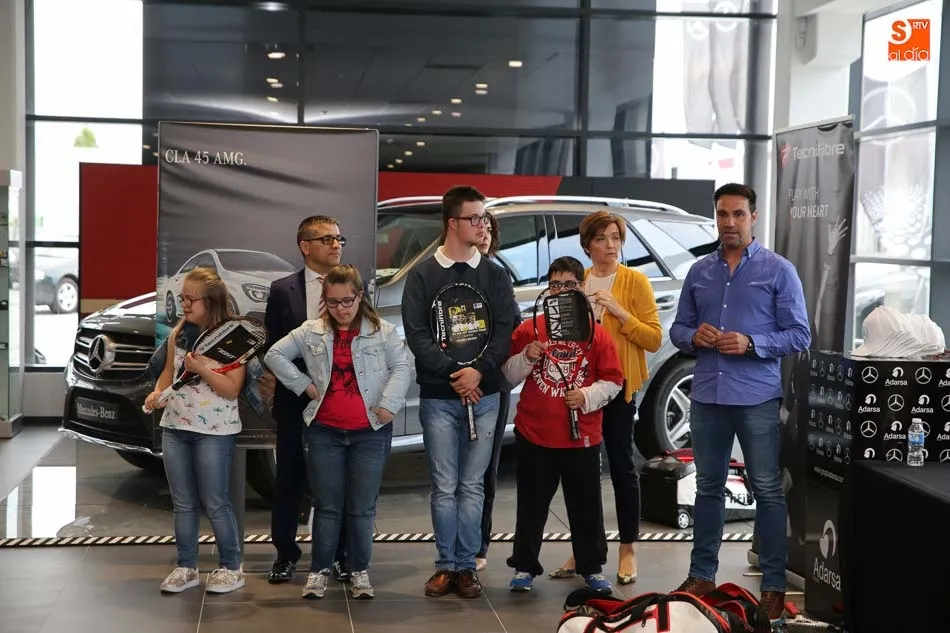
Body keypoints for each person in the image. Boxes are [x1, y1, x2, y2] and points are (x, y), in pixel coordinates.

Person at [669, 183, 810, 620]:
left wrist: (752, 343)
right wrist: (694, 336)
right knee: (708, 488)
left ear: (753, 217)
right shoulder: (699, 272)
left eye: (738, 214)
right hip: (707, 396)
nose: (729, 222)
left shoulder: (778, 270)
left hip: (756, 398)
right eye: (722, 214)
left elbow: (800, 334)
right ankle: (701, 576)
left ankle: (772, 585)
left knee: (766, 488)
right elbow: (678, 330)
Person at [264, 264, 411, 600]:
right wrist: (303, 385)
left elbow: (402, 367)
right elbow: (274, 354)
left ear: (360, 297)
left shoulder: (383, 332)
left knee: (362, 507)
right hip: (324, 432)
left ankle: (358, 570)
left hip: (370, 432)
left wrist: (389, 404)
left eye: (347, 301)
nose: (341, 309)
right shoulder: (311, 331)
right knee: (327, 506)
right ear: (324, 302)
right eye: (333, 302)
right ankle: (319, 571)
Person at [401, 185, 516, 599]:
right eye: (474, 218)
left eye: (484, 217)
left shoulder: (495, 274)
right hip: (439, 395)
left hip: (485, 395)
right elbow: (417, 334)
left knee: (473, 485)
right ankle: (445, 565)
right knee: (444, 485)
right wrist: (455, 373)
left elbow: (505, 330)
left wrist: (478, 373)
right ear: (452, 223)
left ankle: (467, 566)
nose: (482, 225)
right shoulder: (423, 275)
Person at [551, 211, 662, 585]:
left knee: (621, 465)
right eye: (601, 238)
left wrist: (618, 311)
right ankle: (585, 547)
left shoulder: (635, 281)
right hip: (581, 388)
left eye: (615, 237)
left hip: (618, 386)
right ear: (587, 246)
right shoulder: (578, 281)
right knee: (582, 473)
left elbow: (653, 338)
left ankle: (628, 547)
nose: (610, 245)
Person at [503, 256, 624, 594]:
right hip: (534, 433)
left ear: (582, 288)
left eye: (570, 285)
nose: (561, 291)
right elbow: (507, 374)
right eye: (555, 285)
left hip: (582, 436)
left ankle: (592, 568)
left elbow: (614, 381)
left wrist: (585, 396)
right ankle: (524, 566)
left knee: (586, 506)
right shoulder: (529, 329)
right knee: (531, 506)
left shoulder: (596, 333)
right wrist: (526, 357)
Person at [146, 267, 246, 595]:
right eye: (183, 298)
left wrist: (202, 367)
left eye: (192, 299)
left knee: (216, 501)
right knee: (183, 503)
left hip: (215, 432)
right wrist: (157, 394)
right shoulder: (179, 333)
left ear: (212, 302)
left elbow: (231, 389)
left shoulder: (233, 338)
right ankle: (186, 566)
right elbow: (168, 374)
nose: (184, 304)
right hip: (175, 427)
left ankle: (232, 568)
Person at [262, 215, 349, 584]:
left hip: (341, 400)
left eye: (339, 238)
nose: (336, 244)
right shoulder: (283, 290)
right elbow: (272, 347)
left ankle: (340, 556)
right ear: (305, 245)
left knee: (338, 483)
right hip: (296, 400)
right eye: (327, 239)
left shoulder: (351, 285)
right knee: (289, 479)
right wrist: (300, 384)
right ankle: (285, 554)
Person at [474, 211, 520, 572]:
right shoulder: (446, 273)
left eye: (490, 228)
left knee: (486, 469)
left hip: (493, 381)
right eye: (480, 226)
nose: (485, 234)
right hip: (453, 382)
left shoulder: (499, 275)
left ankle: (479, 544)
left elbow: (513, 327)